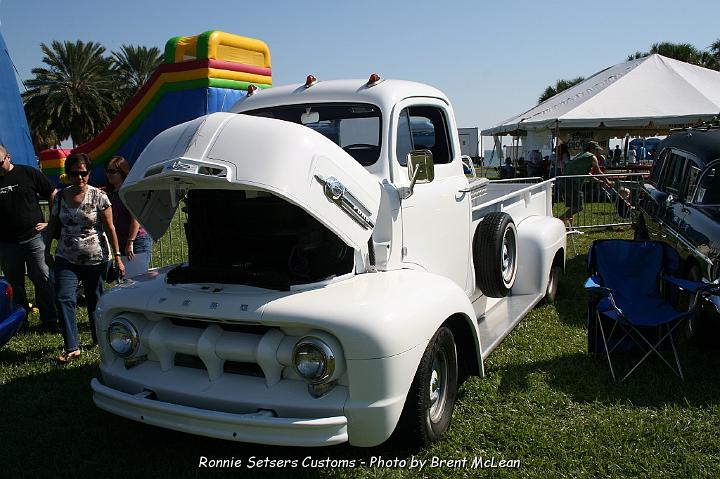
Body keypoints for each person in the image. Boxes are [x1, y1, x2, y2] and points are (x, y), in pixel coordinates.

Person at [45, 153, 125, 363]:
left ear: (89, 174)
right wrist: (46, 250)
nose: (79, 178)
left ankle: (99, 339)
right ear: (68, 174)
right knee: (63, 298)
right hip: (66, 256)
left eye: (83, 174)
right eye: (74, 174)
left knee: (94, 301)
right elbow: (53, 223)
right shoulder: (61, 197)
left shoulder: (99, 196)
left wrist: (117, 256)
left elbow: (110, 227)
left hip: (95, 259)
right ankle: (72, 346)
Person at [0, 144, 59, 332]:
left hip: (33, 238)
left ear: (8, 157)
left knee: (43, 277)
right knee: (14, 284)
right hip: (7, 243)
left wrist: (51, 220)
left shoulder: (27, 173)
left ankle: (50, 320)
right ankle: (20, 322)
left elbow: (52, 192)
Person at [104, 156, 153, 278]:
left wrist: (130, 242)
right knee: (125, 278)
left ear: (122, 172)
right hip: (121, 240)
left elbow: (135, 218)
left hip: (137, 240)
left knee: (138, 278)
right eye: (107, 171)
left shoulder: (129, 191)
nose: (108, 174)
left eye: (112, 171)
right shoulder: (110, 193)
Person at [560, 141, 609, 221]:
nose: (598, 152)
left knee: (573, 206)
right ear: (592, 149)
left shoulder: (580, 155)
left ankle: (569, 227)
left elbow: (588, 173)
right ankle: (559, 220)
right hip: (573, 182)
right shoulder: (591, 156)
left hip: (565, 181)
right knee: (578, 207)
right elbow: (599, 172)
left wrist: (597, 180)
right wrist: (608, 182)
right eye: (597, 150)